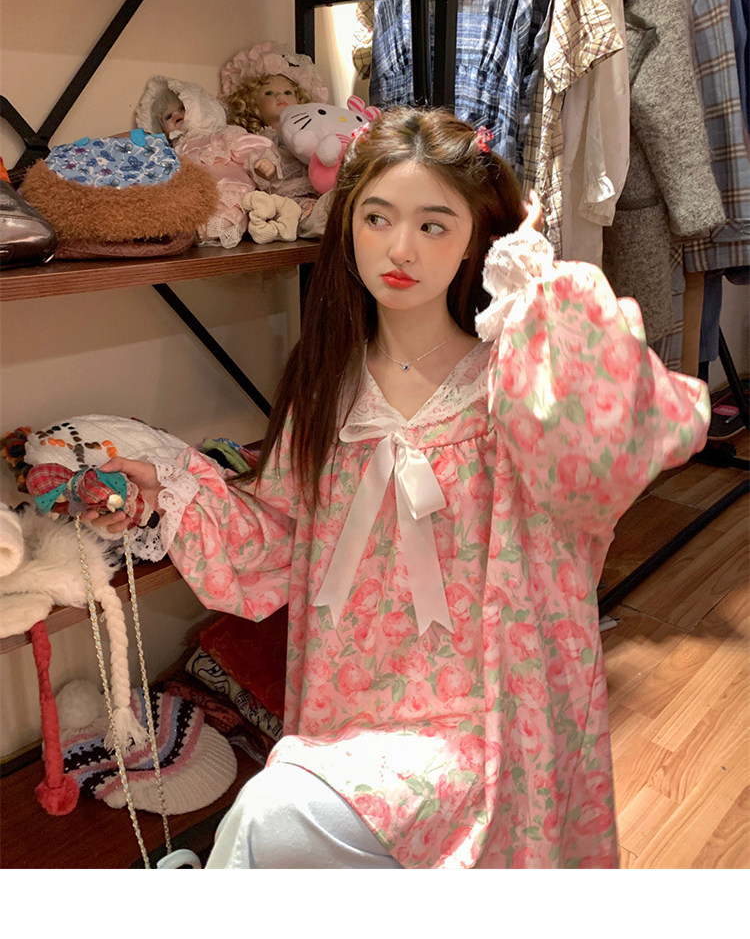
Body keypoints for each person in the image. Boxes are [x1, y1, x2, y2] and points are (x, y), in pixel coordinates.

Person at [87, 106, 710, 869]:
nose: (401, 248)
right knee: (273, 822)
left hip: (493, 723)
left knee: (264, 823)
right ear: (348, 226)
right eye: (377, 218)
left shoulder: (517, 386)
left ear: (477, 238)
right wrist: (171, 494)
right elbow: (275, 544)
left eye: (433, 225)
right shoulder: (326, 390)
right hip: (343, 717)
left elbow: (613, 448)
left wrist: (549, 300)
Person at [136, 77, 282, 247]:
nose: (176, 115)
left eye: (183, 109)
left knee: (225, 216)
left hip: (224, 189)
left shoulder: (218, 136)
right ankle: (183, 231)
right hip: (190, 199)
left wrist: (263, 160)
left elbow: (247, 146)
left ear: (200, 108)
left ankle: (204, 231)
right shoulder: (171, 153)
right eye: (168, 116)